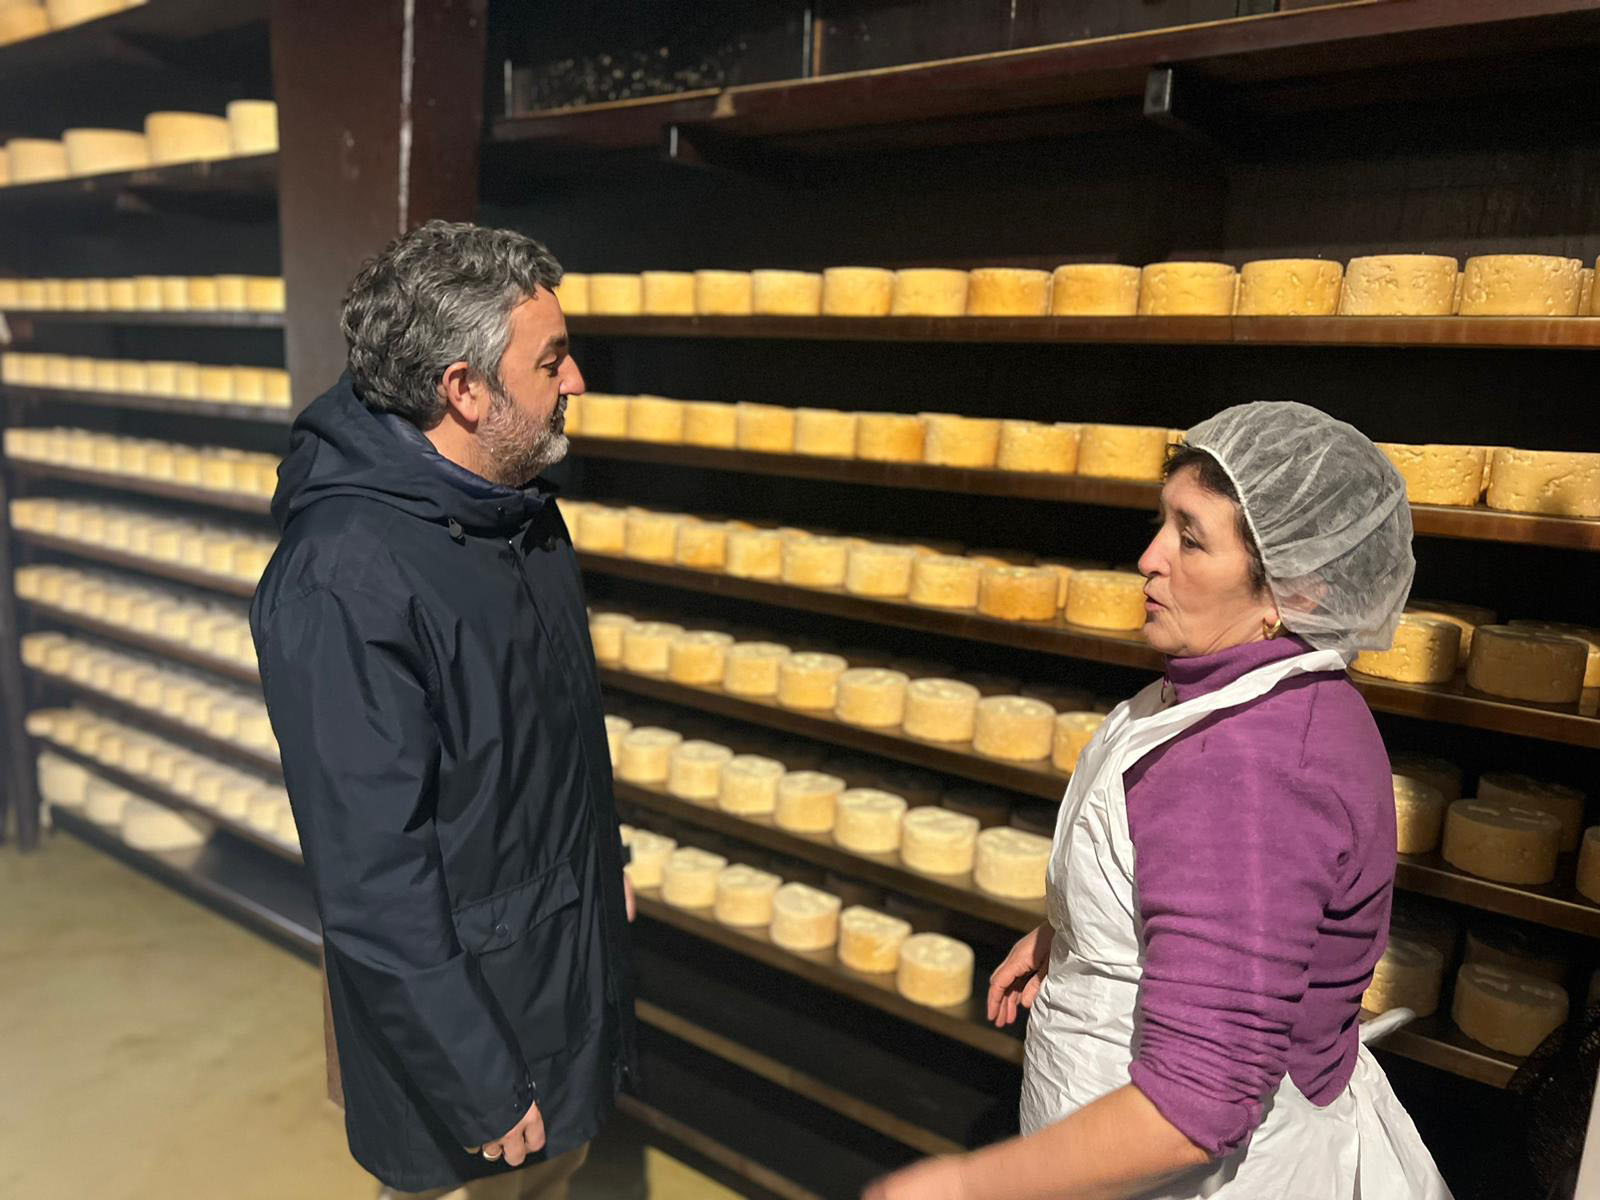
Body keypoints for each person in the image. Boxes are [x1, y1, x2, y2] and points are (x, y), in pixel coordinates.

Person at [867, 401, 1452, 1200]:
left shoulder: (1252, 766)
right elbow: (1219, 897)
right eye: (1162, 524)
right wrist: (1076, 932)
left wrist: (965, 1188)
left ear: (1296, 591)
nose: (1148, 558)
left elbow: (1194, 1108)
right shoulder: (1253, 694)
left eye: (1191, 538)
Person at [250, 220, 635, 1200]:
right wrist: (477, 1079)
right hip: (475, 1042)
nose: (576, 380)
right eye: (550, 360)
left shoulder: (515, 511)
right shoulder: (344, 578)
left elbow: (551, 736)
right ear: (463, 389)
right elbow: (372, 880)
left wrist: (606, 864)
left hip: (555, 971)